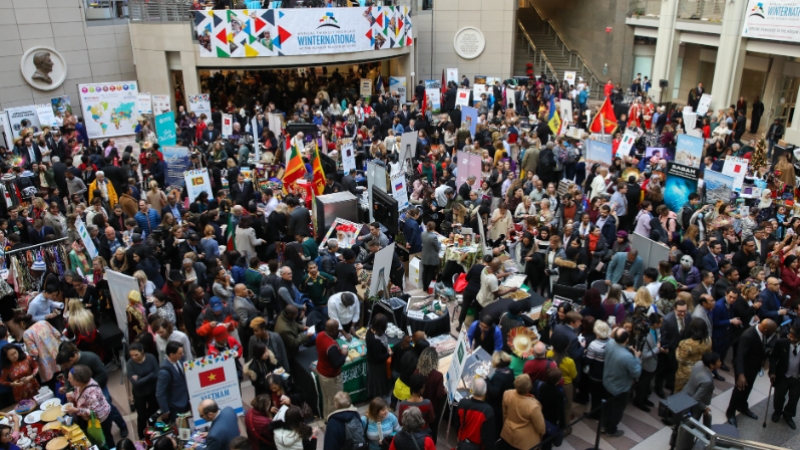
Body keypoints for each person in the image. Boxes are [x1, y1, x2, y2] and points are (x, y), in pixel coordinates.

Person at [727, 319, 778, 427]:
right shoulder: (748, 335)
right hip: (743, 367)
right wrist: (741, 374)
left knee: (748, 387)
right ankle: (730, 412)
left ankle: (742, 406)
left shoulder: (763, 332)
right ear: (765, 330)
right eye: (770, 332)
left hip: (754, 365)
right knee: (739, 389)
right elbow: (740, 355)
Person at [602, 328, 642, 437]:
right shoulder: (627, 357)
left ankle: (603, 424)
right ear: (627, 340)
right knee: (617, 410)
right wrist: (637, 358)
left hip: (607, 381)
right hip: (620, 388)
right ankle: (611, 430)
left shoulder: (610, 343)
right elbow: (636, 373)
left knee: (607, 406)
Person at [63, 365, 114, 446]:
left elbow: (93, 412)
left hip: (101, 418)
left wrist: (76, 410)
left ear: (78, 380)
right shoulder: (79, 385)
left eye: (70, 378)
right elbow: (80, 395)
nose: (68, 380)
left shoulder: (91, 392)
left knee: (106, 438)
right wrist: (72, 395)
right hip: (88, 417)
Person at [500, 374, 546, 448]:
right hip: (524, 442)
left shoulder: (507, 393)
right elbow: (541, 428)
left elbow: (504, 414)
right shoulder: (533, 406)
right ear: (528, 388)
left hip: (508, 434)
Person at [126, 342, 159, 439]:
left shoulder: (151, 358)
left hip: (152, 391)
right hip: (139, 393)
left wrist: (140, 378)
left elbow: (157, 373)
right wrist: (150, 375)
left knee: (153, 413)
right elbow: (135, 383)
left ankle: (154, 433)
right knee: (141, 416)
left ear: (142, 351)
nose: (134, 357)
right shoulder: (130, 364)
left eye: (136, 355)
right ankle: (142, 436)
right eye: (131, 355)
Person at [769, 325, 800, 430]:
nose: (790, 337)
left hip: (797, 378)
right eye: (789, 334)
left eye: (794, 336)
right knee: (779, 395)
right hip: (783, 375)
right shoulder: (781, 343)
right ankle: (777, 411)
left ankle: (788, 415)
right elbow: (773, 358)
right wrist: (772, 372)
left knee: (794, 398)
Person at [316, 320, 347, 421]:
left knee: (327, 397)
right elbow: (336, 363)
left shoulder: (320, 335)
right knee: (335, 401)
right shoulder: (331, 346)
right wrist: (344, 354)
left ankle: (326, 418)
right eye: (337, 329)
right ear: (334, 330)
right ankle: (333, 421)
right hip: (331, 376)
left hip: (322, 371)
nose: (339, 330)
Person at [456, 377, 495, 450]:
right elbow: (487, 438)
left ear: (472, 389)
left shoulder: (462, 403)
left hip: (462, 444)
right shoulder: (488, 411)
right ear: (485, 391)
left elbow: (457, 424)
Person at [675, 318, 713, 392]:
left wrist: (677, 351)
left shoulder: (686, 343)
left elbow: (681, 359)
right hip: (700, 371)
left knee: (680, 393)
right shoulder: (708, 340)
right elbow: (709, 353)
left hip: (686, 374)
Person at [156, 341, 190, 422]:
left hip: (186, 402)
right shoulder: (164, 372)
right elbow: (160, 393)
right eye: (179, 353)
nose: (182, 355)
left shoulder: (180, 360)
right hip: (176, 406)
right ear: (171, 355)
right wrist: (166, 410)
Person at [366, 314, 392, 401]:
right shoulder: (374, 340)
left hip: (375, 360)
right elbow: (378, 357)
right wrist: (389, 354)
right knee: (378, 382)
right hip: (376, 364)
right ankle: (377, 397)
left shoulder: (371, 330)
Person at [420, 221, 441, 291]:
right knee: (430, 273)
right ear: (434, 228)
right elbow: (437, 248)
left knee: (425, 272)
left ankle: (424, 287)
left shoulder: (423, 234)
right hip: (432, 258)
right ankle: (429, 288)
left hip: (425, 256)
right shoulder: (433, 237)